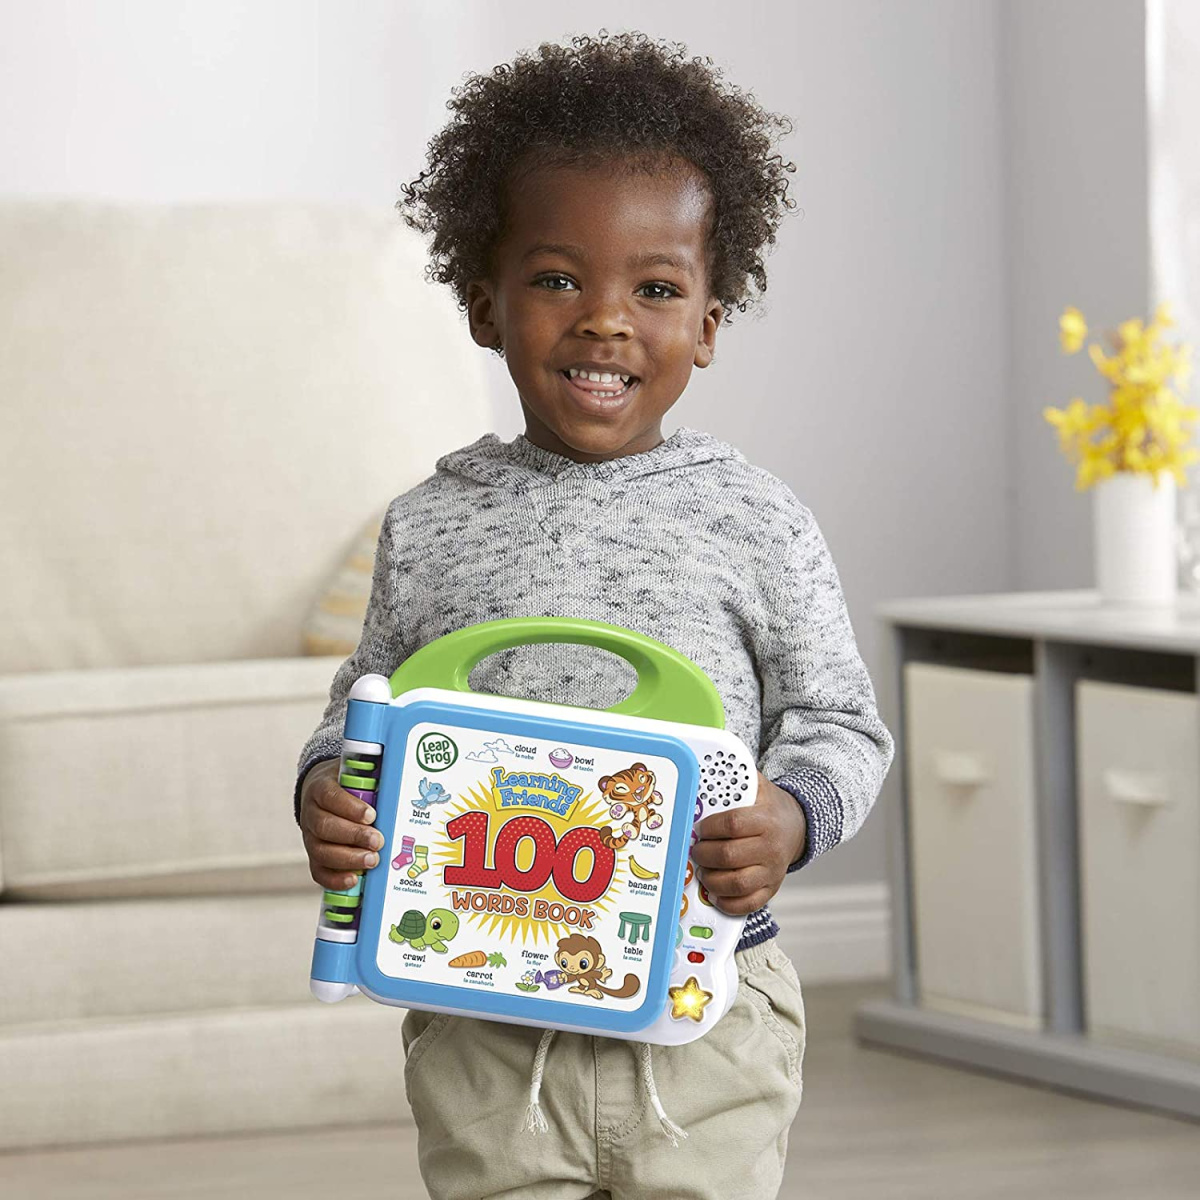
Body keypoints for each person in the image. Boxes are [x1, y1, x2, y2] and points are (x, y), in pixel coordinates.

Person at [295, 29, 895, 1200]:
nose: (605, 320)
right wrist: (328, 790)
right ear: (486, 304)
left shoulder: (755, 520)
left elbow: (842, 724)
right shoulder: (429, 522)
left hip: (705, 1007)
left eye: (656, 289)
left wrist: (788, 816)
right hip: (484, 1014)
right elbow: (360, 712)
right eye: (558, 278)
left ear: (710, 323)